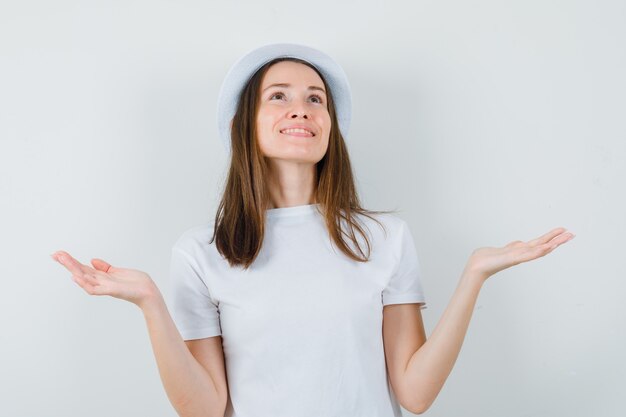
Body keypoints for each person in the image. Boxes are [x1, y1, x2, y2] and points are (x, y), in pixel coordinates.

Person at [51, 43, 575, 417]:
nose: (300, 107)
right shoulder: (201, 253)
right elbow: (205, 408)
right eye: (277, 96)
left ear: (329, 126)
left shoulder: (384, 238)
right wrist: (149, 301)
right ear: (243, 126)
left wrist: (474, 275)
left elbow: (415, 395)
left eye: (315, 98)